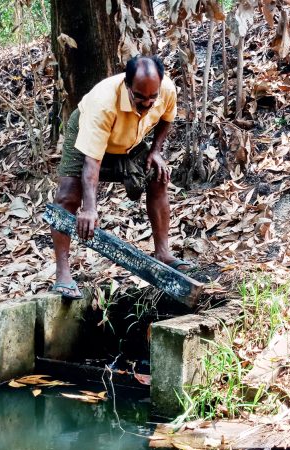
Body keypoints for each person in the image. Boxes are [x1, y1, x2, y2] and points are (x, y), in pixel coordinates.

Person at [50, 55, 193, 300]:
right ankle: (63, 274)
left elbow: (167, 118)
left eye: (152, 98)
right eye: (139, 97)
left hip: (128, 139)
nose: (147, 103)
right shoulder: (103, 103)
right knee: (67, 196)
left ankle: (163, 253)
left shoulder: (166, 90)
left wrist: (156, 151)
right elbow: (92, 161)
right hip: (86, 134)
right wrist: (90, 208)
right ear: (127, 86)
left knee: (158, 177)